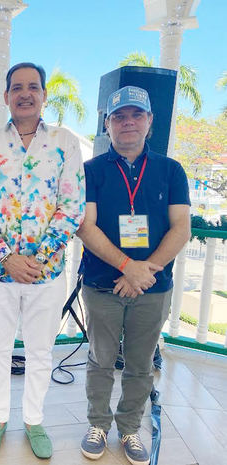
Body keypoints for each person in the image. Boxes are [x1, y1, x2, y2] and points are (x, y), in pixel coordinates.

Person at [0, 62, 85, 459]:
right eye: (16, 87)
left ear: (43, 95)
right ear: (6, 97)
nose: (24, 93)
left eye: (32, 87)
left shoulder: (65, 143)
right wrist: (8, 258)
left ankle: (34, 420)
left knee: (40, 351)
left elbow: (72, 207)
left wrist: (37, 258)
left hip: (47, 272)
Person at [76, 86, 190, 465]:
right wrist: (128, 267)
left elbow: (180, 229)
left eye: (136, 115)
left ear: (150, 122)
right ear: (107, 124)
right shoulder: (90, 171)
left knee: (141, 365)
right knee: (100, 359)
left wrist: (144, 272)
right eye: (119, 116)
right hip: (102, 285)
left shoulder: (171, 170)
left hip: (153, 287)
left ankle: (129, 429)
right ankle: (97, 424)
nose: (128, 122)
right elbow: (86, 227)